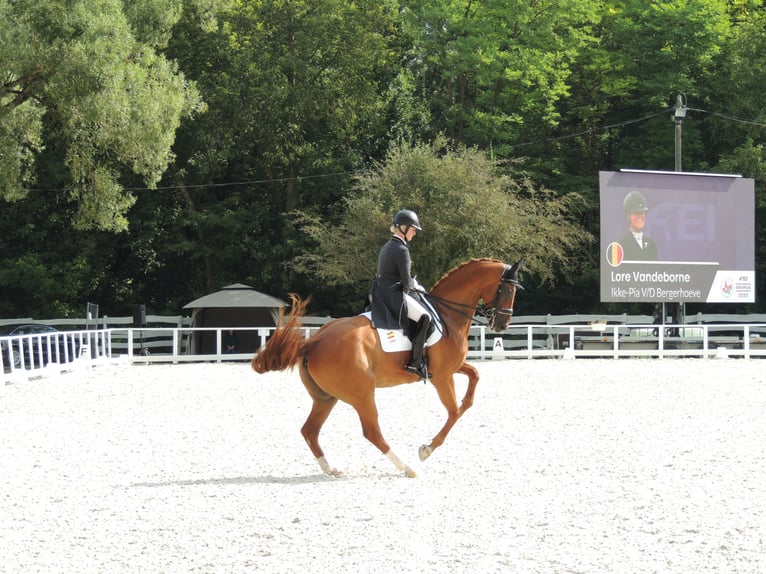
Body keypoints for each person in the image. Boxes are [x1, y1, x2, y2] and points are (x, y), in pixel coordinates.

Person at [370, 209, 433, 379]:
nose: (414, 233)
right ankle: (416, 362)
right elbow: (406, 283)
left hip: (380, 293)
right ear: (403, 228)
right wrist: (420, 289)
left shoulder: (387, 246)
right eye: (413, 229)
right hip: (393, 294)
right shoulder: (401, 249)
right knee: (425, 317)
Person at [619, 190, 658, 261]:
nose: (640, 216)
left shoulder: (651, 244)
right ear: (628, 215)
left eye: (642, 212)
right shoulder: (621, 245)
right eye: (636, 213)